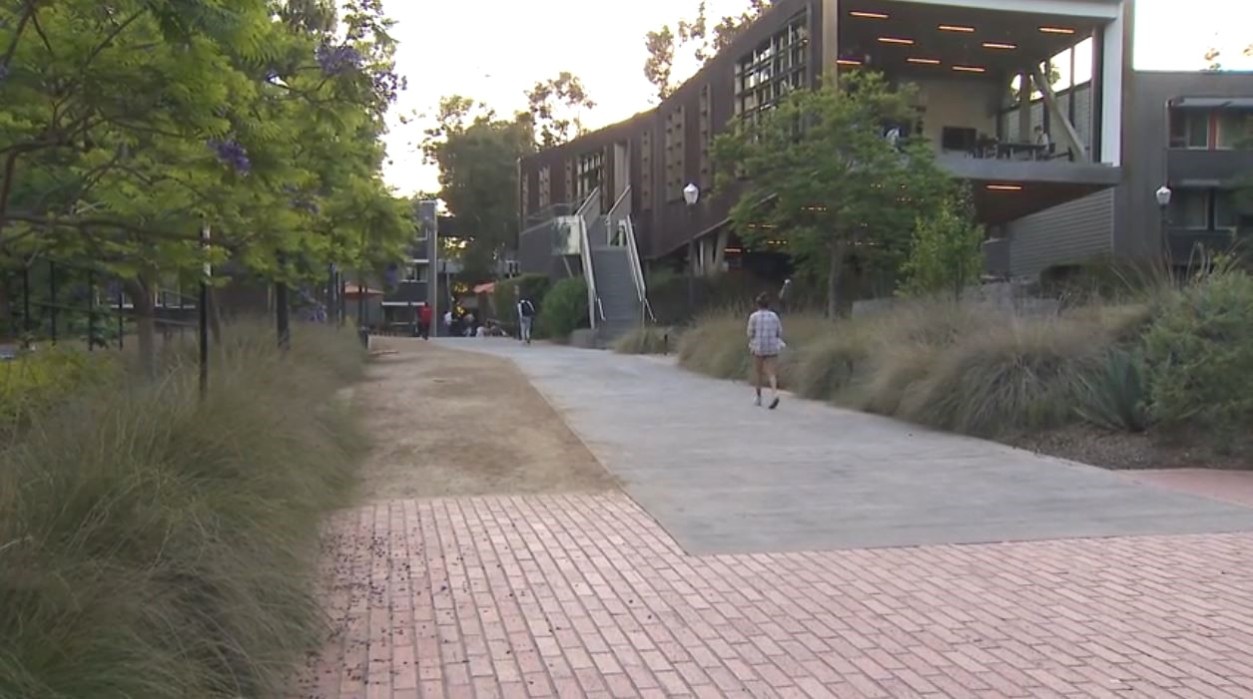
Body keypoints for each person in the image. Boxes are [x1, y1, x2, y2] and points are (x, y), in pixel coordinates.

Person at [746, 293, 784, 410]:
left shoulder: (754, 317)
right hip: (772, 346)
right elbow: (779, 332)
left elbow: (750, 333)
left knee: (759, 372)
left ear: (758, 304)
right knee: (771, 373)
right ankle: (775, 393)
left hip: (759, 347)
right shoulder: (774, 316)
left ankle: (759, 397)